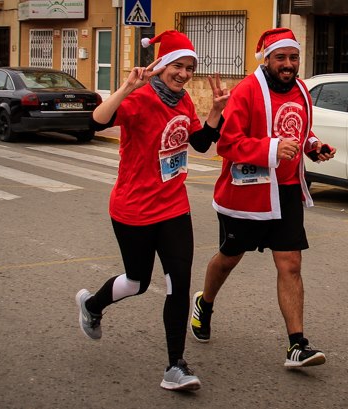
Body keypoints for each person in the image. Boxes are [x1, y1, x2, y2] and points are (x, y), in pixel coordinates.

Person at [75, 30, 229, 391]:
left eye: (190, 68)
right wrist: (127, 87)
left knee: (179, 284)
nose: (184, 74)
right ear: (162, 65)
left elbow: (200, 144)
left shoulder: (183, 101)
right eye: (178, 66)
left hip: (173, 206)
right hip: (133, 208)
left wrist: (215, 112)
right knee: (137, 282)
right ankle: (93, 306)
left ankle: (175, 366)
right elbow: (96, 121)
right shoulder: (140, 99)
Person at [190, 28, 335, 368]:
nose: (288, 64)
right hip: (247, 193)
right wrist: (272, 149)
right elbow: (227, 144)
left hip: (286, 191)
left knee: (290, 263)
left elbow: (298, 130)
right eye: (281, 57)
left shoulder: (301, 91)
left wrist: (313, 146)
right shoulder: (247, 91)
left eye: (293, 57)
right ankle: (204, 303)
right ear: (267, 59)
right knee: (229, 258)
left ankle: (297, 345)